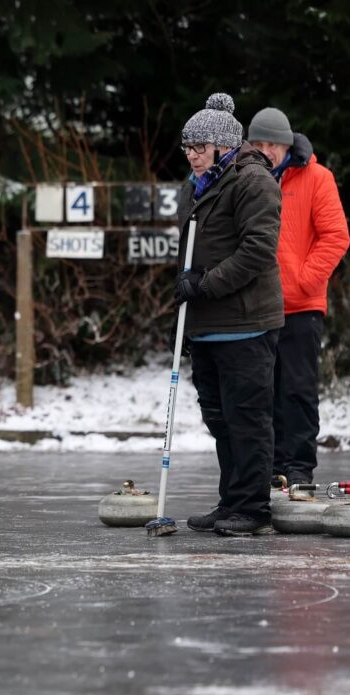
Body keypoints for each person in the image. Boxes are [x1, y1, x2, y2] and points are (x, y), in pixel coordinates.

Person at [172, 93, 284, 536]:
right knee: (219, 419)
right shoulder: (193, 186)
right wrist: (185, 314)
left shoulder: (252, 181)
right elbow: (188, 258)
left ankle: (253, 507)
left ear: (223, 147)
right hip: (207, 326)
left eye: (200, 148)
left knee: (247, 418)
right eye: (188, 148)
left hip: (246, 323)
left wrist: (206, 284)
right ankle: (231, 499)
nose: (193, 156)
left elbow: (257, 250)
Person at [247, 107, 349, 488]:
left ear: (286, 144)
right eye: (257, 143)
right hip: (256, 309)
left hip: (301, 306)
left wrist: (304, 281)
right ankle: (271, 469)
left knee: (298, 390)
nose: (265, 150)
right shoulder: (246, 178)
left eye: (271, 143)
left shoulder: (318, 178)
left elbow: (336, 236)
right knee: (262, 392)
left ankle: (300, 468)